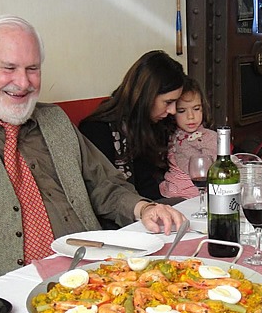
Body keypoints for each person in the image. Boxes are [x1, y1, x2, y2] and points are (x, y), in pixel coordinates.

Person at [0, 15, 186, 292]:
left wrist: (143, 208)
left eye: (33, 69)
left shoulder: (57, 119)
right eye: (9, 67)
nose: (23, 82)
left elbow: (104, 184)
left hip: (92, 278)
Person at [79, 50, 186, 201]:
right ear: (146, 95)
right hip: (125, 216)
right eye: (168, 102)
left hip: (159, 209)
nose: (172, 110)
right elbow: (101, 195)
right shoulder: (97, 130)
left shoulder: (161, 124)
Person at [159, 76, 217, 199]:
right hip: (169, 192)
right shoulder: (171, 134)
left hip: (195, 194)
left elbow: (212, 171)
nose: (191, 116)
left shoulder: (208, 137)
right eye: (181, 111)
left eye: (196, 109)